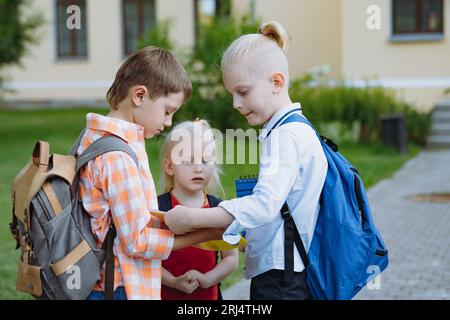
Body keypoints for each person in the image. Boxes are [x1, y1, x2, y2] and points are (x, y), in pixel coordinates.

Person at [164, 21, 328, 300]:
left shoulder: (284, 137)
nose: (236, 104)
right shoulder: (297, 129)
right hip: (289, 270)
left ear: (276, 82)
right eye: (232, 94)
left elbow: (265, 204)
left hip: (280, 277)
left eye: (243, 92)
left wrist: (192, 216)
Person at [78, 46, 223, 300]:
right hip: (119, 287)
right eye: (167, 111)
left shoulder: (95, 137)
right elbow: (138, 241)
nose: (168, 122)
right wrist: (205, 234)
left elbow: (123, 217)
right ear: (139, 96)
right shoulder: (118, 157)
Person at [158, 119, 238, 300]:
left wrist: (208, 279)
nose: (198, 168)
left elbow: (230, 258)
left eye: (205, 160)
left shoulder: (219, 209)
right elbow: (148, 256)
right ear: (170, 166)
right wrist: (172, 281)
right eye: (187, 161)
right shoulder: (159, 208)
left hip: (208, 296)